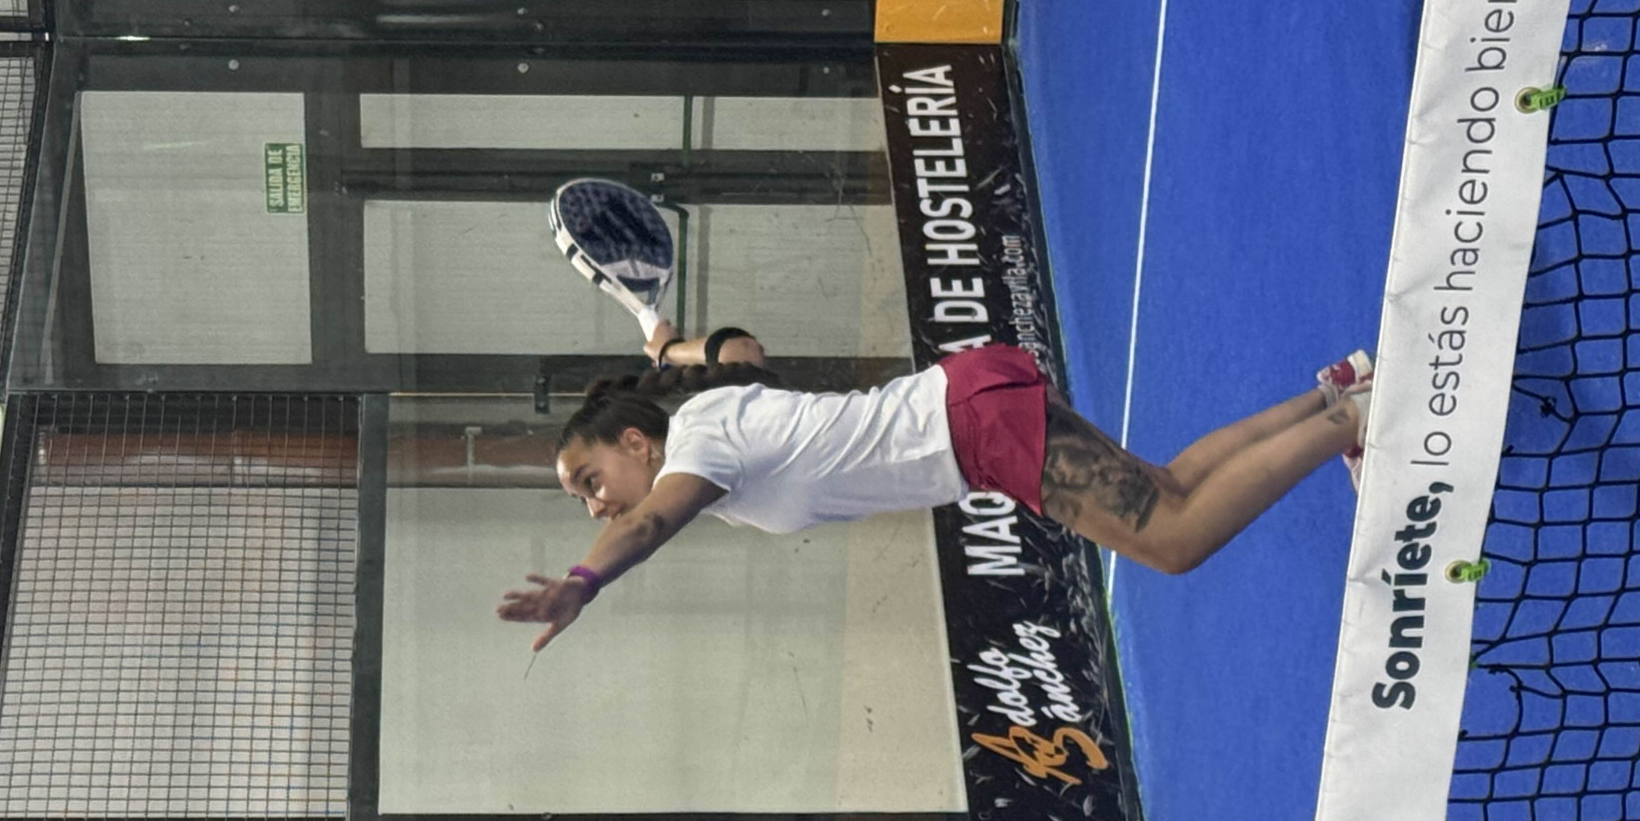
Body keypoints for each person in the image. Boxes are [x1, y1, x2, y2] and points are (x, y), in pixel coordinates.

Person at [497, 319, 1372, 651]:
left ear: (636, 441)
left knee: (1174, 541)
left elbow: (647, 526)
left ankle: (1353, 423)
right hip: (968, 408)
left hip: (971, 427)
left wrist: (583, 581)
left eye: (590, 479)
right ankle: (1336, 392)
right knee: (1170, 486)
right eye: (581, 501)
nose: (595, 503)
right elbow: (740, 349)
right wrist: (671, 347)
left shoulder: (698, 447)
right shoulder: (714, 417)